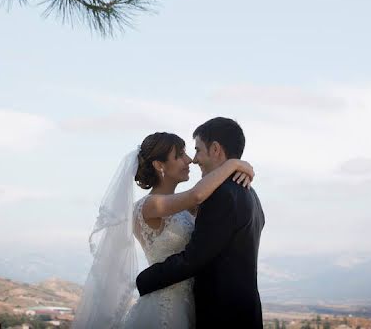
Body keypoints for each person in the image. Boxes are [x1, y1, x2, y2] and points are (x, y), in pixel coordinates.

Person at [73, 129, 254, 329]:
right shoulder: (149, 206)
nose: (189, 160)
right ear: (160, 165)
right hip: (163, 306)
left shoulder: (183, 206)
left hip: (190, 305)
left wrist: (240, 171)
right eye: (180, 155)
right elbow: (197, 195)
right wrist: (234, 164)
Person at [137, 117, 266, 328]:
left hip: (221, 315)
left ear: (215, 149)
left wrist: (144, 280)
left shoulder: (221, 195)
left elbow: (195, 258)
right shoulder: (250, 193)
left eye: (197, 150)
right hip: (239, 312)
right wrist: (236, 164)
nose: (193, 160)